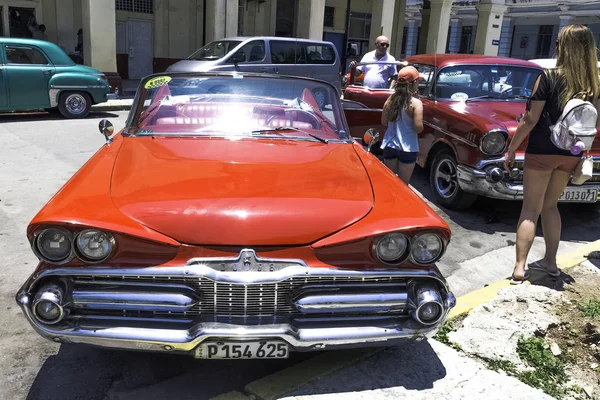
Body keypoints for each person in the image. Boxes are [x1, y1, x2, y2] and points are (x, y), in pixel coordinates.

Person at [504, 24, 600, 284]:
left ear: (564, 47)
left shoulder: (548, 76)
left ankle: (520, 268)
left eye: (558, 43)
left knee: (529, 210)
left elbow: (530, 119)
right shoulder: (593, 82)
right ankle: (550, 262)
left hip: (542, 150)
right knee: (551, 206)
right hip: (571, 152)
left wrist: (511, 150)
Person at [380, 66, 423, 184]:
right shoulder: (416, 103)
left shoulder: (389, 100)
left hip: (390, 145)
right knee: (403, 185)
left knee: (389, 183)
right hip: (408, 148)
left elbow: (384, 122)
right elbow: (418, 129)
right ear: (413, 83)